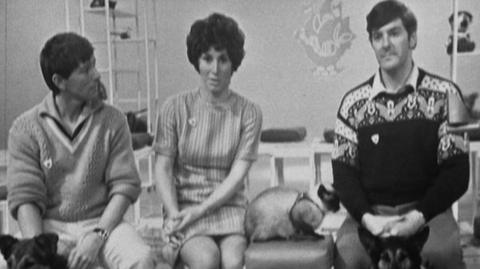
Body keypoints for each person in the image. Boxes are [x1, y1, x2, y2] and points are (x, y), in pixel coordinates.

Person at [331, 1, 469, 268]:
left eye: (394, 33)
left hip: (428, 213)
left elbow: (457, 172)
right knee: (350, 257)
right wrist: (369, 219)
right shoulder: (352, 104)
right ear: (371, 43)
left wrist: (417, 218)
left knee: (443, 256)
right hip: (371, 214)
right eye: (377, 36)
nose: (385, 44)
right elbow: (344, 175)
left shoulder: (446, 95)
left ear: (413, 38)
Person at [7, 32, 155, 269]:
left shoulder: (113, 120)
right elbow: (26, 198)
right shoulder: (25, 128)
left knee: (142, 258)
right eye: (85, 70)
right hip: (50, 227)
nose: (96, 74)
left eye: (94, 65)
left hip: (104, 224)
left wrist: (98, 236)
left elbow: (124, 188)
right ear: (60, 82)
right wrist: (41, 249)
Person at [153, 12, 262, 269]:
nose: (215, 69)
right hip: (184, 208)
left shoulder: (249, 112)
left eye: (223, 59)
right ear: (197, 61)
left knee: (234, 262)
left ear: (233, 62)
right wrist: (174, 214)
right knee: (206, 260)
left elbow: (238, 176)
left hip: (230, 208)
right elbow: (163, 167)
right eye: (207, 59)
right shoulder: (174, 108)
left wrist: (201, 209)